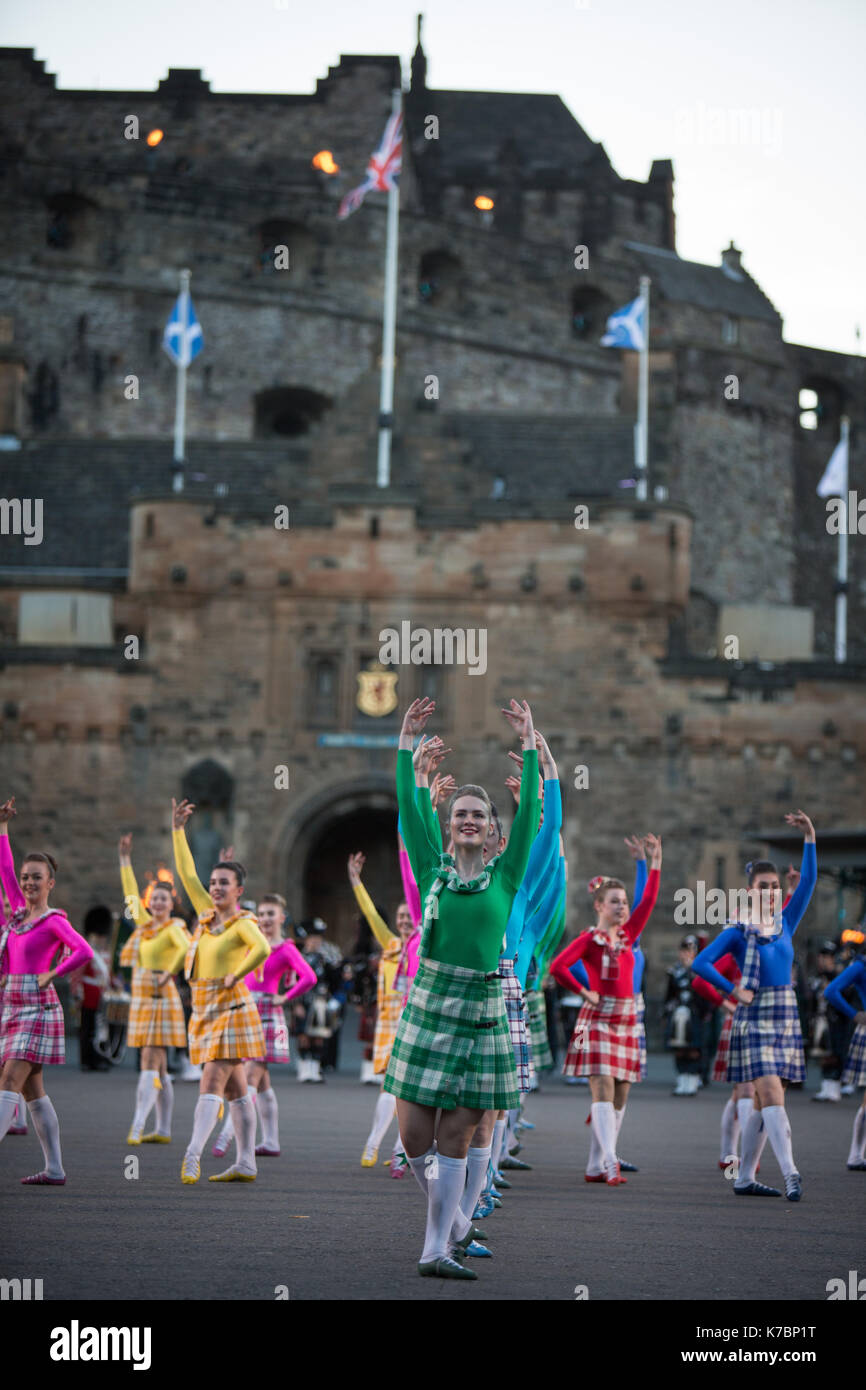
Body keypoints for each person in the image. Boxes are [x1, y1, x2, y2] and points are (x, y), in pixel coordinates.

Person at [385, 696, 539, 1280]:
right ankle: (453, 1228)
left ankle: (435, 1251)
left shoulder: (508, 874)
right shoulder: (431, 871)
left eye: (480, 814)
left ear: (494, 830)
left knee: (457, 1135)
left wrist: (530, 743)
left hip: (483, 1011)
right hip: (429, 1006)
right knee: (414, 1137)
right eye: (460, 814)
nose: (470, 818)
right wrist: (405, 745)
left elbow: (534, 826)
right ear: (448, 827)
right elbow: (406, 809)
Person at [691, 811, 817, 1201]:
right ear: (749, 891)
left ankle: (744, 1177)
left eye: (775, 886)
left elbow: (809, 880)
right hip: (753, 1015)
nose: (771, 892)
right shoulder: (737, 930)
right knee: (769, 1092)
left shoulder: (786, 922)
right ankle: (791, 1172)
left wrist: (810, 837)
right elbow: (700, 964)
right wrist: (733, 989)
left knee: (765, 1099)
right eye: (763, 886)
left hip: (785, 1013)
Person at [550, 836, 662, 1186]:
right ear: (599, 905)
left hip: (628, 1018)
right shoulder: (589, 940)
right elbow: (558, 967)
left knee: (622, 1091)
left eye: (624, 902)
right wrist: (585, 992)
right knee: (601, 1085)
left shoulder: (629, 936)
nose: (622, 907)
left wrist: (652, 863)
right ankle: (611, 1159)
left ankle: (596, 1163)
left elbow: (648, 901)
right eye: (615, 901)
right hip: (597, 1019)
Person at [171, 797, 270, 1183]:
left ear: (239, 890)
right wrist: (178, 830)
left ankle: (192, 1153)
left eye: (223, 884)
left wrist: (236, 974)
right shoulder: (205, 915)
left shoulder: (241, 922)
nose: (214, 888)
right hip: (204, 1007)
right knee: (237, 1091)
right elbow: (186, 871)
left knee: (212, 1078)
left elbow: (260, 947)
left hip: (232, 1007)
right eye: (213, 883)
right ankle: (246, 1162)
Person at [0, 796, 93, 1184]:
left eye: (37, 877)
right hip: (12, 1003)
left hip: (37, 1006)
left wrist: (52, 972)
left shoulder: (53, 921)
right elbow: (4, 871)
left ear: (50, 883)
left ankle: (55, 1167)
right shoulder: (19, 914)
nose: (28, 882)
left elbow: (83, 950)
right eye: (26, 877)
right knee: (31, 1091)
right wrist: (3, 828)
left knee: (8, 1081)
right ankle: (55, 1167)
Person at [211, 893, 316, 1158]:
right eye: (262, 913)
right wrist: (231, 891)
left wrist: (285, 997)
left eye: (271, 913)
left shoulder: (286, 949)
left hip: (269, 1012)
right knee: (262, 1083)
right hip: (245, 1011)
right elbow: (228, 918)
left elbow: (309, 977)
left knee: (247, 1078)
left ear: (282, 917)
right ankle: (271, 1141)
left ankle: (227, 1134)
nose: (266, 919)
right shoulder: (251, 943)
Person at [349, 849, 420, 1172]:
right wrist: (356, 882)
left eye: (409, 918)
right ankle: (375, 1142)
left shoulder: (423, 948)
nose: (404, 922)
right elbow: (369, 913)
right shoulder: (391, 947)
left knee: (405, 1090)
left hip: (415, 1021)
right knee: (389, 1085)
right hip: (390, 1022)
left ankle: (397, 1149)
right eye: (400, 918)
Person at [117, 834, 191, 1143]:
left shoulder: (175, 928)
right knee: (159, 1068)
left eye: (164, 898)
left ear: (172, 902)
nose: (159, 902)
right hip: (143, 997)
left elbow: (187, 951)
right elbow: (130, 894)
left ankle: (137, 1124)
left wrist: (169, 973)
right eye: (155, 898)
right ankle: (162, 1129)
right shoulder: (144, 926)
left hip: (162, 996)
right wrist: (124, 860)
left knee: (150, 1057)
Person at [823, 953, 866, 1170]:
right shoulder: (860, 965)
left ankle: (856, 1155)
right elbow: (831, 991)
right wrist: (854, 1014)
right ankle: (856, 1155)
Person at [664, 935, 703, 1096]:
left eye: (690, 951)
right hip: (678, 1013)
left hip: (694, 1013)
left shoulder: (700, 970)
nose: (686, 954)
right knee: (679, 1047)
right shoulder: (674, 971)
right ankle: (681, 1080)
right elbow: (669, 995)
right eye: (684, 951)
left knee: (694, 1048)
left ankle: (692, 1080)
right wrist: (665, 1013)